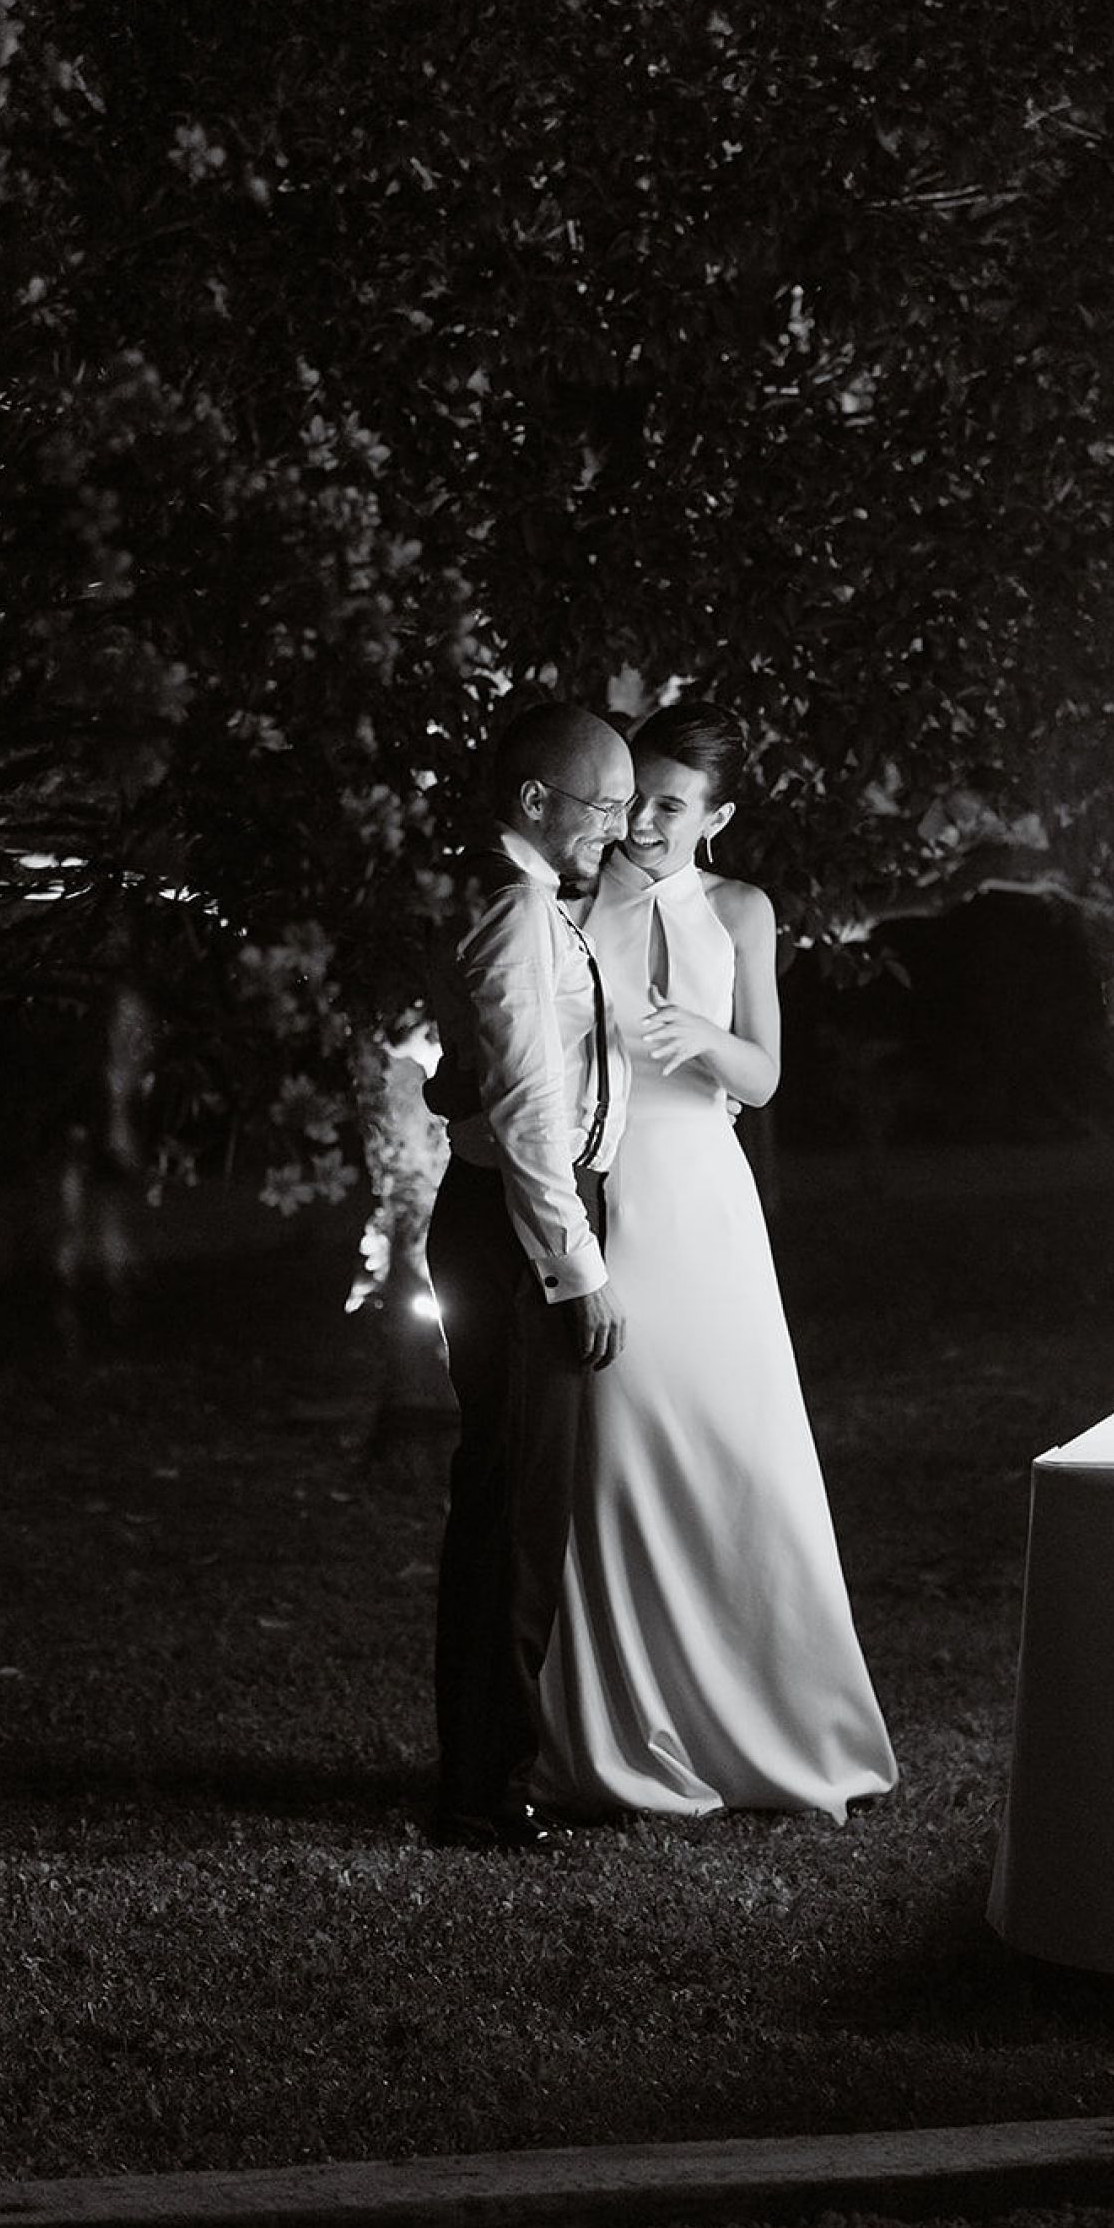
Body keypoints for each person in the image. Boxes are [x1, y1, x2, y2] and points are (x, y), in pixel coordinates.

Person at [534, 701, 898, 1823]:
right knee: (618, 1453)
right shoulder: (568, 900)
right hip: (604, 1187)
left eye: (671, 803)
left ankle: (779, 1720)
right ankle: (622, 1725)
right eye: (633, 793)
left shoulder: (739, 909)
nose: (642, 817)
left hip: (702, 1198)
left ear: (717, 817)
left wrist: (704, 1039)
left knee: (739, 1450)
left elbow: (767, 1071)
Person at [423, 701, 636, 1851]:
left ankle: (489, 1769)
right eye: (601, 804)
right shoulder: (513, 915)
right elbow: (528, 1112)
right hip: (518, 1236)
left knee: (514, 1507)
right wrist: (575, 1267)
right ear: (534, 801)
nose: (615, 825)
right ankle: (480, 1790)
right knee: (512, 1516)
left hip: (514, 1223)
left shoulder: (525, 905)